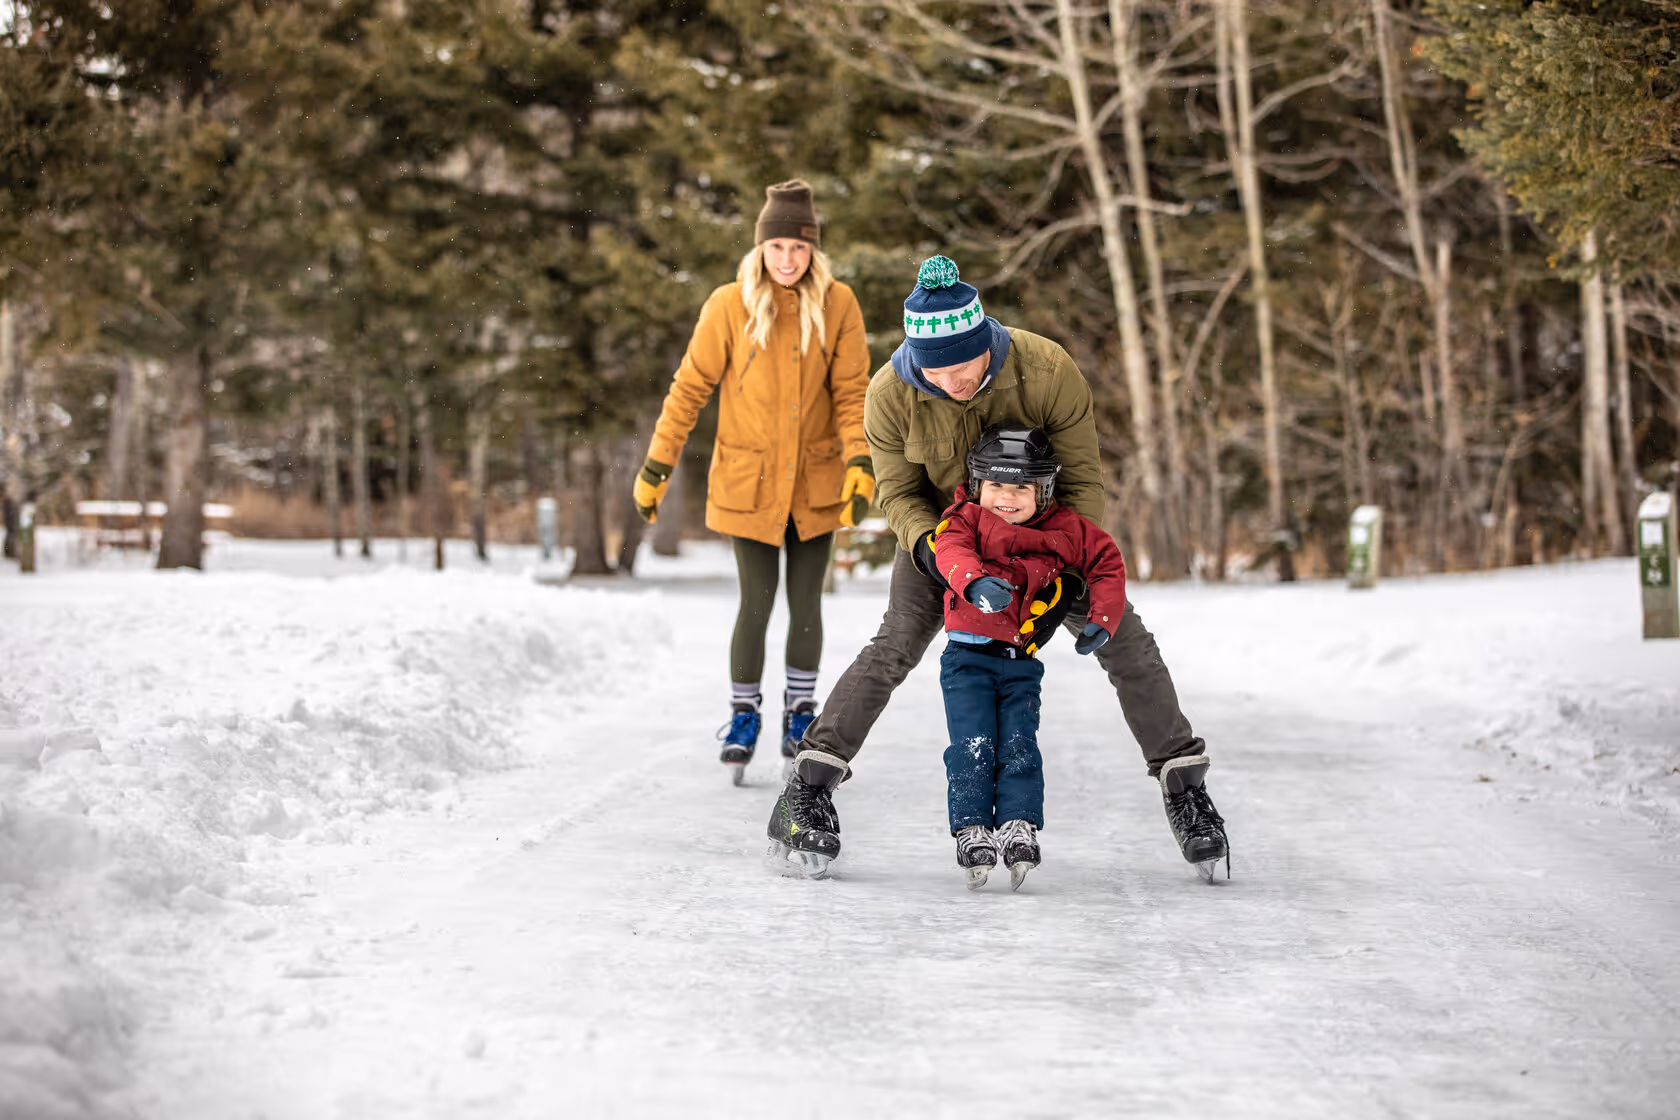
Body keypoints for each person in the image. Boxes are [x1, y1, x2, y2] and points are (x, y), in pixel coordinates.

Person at [766, 255, 1229, 879]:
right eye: (937, 370)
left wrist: (1071, 570)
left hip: (1044, 538)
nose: (952, 381)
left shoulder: (1045, 370)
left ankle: (1185, 786)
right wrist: (932, 551)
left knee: (1125, 640)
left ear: (988, 342)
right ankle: (808, 786)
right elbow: (898, 492)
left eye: (965, 367)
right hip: (945, 537)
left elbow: (1084, 479)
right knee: (896, 643)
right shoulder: (890, 393)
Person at [633, 179, 874, 785]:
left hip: (816, 482)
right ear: (759, 248)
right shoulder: (728, 305)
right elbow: (689, 389)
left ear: (813, 250)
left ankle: (800, 715)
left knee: (807, 602)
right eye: (777, 248)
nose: (787, 260)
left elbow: (851, 394)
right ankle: (744, 715)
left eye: (798, 248)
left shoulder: (839, 303)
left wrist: (860, 462)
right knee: (756, 601)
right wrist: (657, 466)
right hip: (750, 481)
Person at [932, 426, 1128, 891]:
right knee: (973, 745)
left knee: (1019, 744)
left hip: (1021, 662)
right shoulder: (966, 519)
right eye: (997, 485)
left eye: (1021, 487)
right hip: (967, 661)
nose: (1007, 498)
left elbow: (1106, 561)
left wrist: (1103, 615)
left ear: (1043, 490)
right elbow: (949, 550)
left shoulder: (1066, 529)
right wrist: (974, 582)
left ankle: (1020, 826)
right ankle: (972, 829)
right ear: (979, 485)